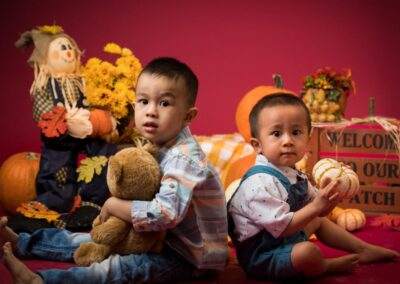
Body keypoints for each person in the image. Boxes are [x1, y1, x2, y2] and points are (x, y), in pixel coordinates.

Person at [1, 57, 228, 283]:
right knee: (92, 240)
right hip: (156, 237)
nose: (151, 111)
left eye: (164, 103)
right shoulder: (158, 143)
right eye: (143, 101)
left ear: (188, 116)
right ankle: (22, 242)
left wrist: (113, 204)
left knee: (120, 268)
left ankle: (42, 281)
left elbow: (166, 214)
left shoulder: (184, 158)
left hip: (187, 256)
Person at [227, 93, 399, 281]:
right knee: (307, 252)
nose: (288, 140)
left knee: (317, 219)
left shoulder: (293, 173)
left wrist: (332, 195)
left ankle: (363, 249)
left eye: (296, 132)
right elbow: (284, 228)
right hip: (262, 256)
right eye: (277, 133)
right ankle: (325, 266)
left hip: (283, 240)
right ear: (257, 145)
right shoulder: (259, 183)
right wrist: (317, 206)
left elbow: (320, 212)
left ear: (307, 141)